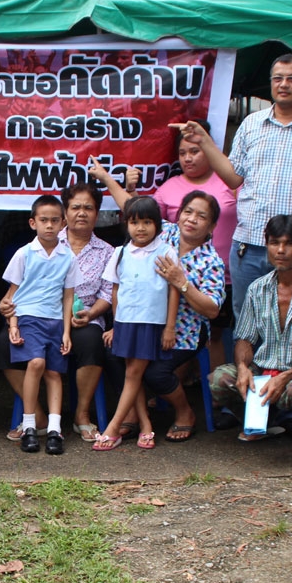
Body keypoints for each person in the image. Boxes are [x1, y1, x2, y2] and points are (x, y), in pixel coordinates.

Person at [191, 53, 292, 311]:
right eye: (278, 79)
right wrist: (204, 143)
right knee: (247, 317)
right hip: (250, 241)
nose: (283, 84)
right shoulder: (251, 124)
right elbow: (233, 177)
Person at [92, 162, 226, 442]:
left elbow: (212, 310)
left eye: (201, 216)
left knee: (154, 372)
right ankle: (133, 414)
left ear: (212, 225)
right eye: (187, 212)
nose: (191, 219)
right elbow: (133, 207)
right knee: (118, 358)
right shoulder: (164, 233)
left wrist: (182, 282)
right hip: (142, 321)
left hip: (183, 331)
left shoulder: (210, 261)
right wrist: (106, 178)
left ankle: (184, 412)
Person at [0, 181, 114, 443]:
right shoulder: (41, 241)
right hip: (38, 315)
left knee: (91, 343)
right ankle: (37, 417)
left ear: (97, 213)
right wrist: (9, 311)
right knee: (4, 344)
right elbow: (17, 291)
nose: (82, 213)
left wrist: (90, 313)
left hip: (85, 318)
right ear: (66, 213)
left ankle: (81, 416)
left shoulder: (107, 251)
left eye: (89, 207)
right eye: (75, 207)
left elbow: (108, 293)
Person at [209, 214, 292, 441]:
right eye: (274, 243)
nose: (280, 250)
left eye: (289, 243)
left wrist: (286, 376)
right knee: (220, 379)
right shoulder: (257, 289)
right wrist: (242, 367)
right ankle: (264, 421)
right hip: (264, 373)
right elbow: (244, 339)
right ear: (266, 244)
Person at [92, 196, 181, 451]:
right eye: (134, 222)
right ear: (126, 224)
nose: (140, 228)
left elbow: (174, 290)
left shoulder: (165, 251)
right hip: (126, 323)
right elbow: (115, 291)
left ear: (157, 225)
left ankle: (112, 428)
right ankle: (145, 426)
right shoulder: (120, 253)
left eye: (146, 222)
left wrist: (170, 327)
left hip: (149, 323)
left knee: (132, 374)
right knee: (134, 374)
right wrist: (115, 326)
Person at [151, 120, 236, 372]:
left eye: (195, 151)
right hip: (168, 291)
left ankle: (215, 397)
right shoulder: (169, 191)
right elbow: (143, 218)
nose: (188, 158)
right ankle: (172, 390)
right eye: (183, 153)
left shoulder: (230, 181)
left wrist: (183, 281)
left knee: (214, 337)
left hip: (222, 277)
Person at [1, 195, 80, 455]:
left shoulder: (68, 257)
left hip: (55, 320)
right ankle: (30, 426)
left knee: (55, 373)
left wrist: (67, 331)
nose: (49, 225)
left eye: (55, 220)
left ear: (63, 223)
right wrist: (13, 325)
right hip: (28, 317)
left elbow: (68, 295)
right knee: (36, 363)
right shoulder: (24, 254)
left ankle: (55, 429)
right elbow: (12, 295)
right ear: (33, 223)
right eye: (43, 220)